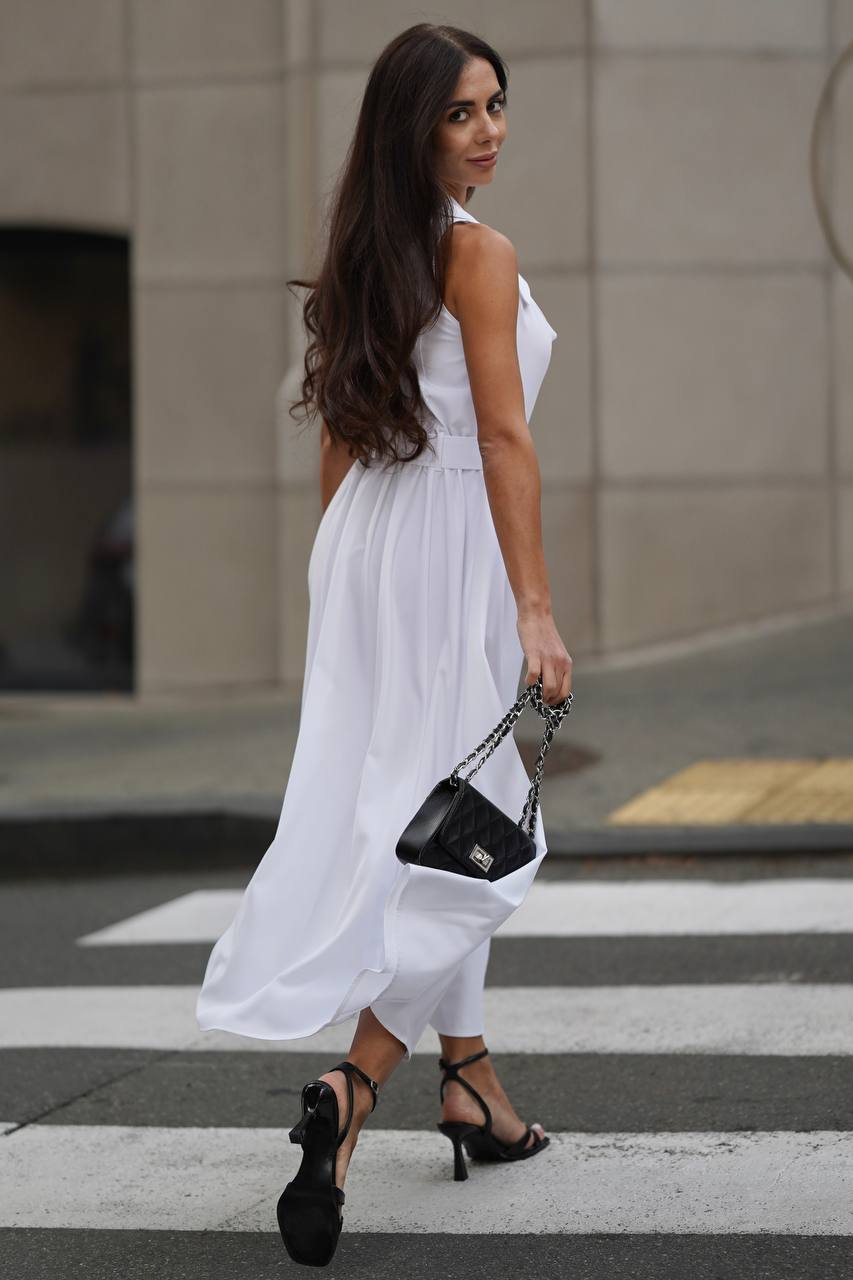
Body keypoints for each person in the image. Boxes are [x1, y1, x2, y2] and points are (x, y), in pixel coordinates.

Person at [195, 21, 573, 1267]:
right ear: (413, 128)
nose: (490, 130)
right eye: (463, 112)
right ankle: (354, 1091)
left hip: (369, 543)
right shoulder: (473, 251)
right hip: (446, 548)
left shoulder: (367, 252)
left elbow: (343, 434)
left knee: (422, 813)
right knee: (477, 834)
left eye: (497, 105)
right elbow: (504, 442)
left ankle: (468, 1083)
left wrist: (343, 581)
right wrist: (531, 605)